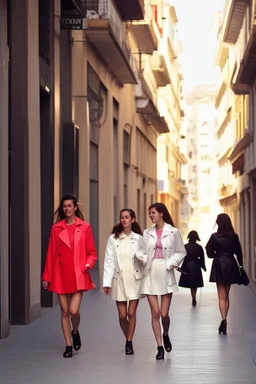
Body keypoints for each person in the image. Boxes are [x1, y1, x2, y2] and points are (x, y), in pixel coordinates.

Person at [42, 194, 97, 358]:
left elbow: (92, 252)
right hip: (60, 274)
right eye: (64, 206)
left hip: (78, 273)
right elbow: (51, 253)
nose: (66, 208)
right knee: (65, 311)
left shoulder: (85, 227)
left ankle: (75, 331)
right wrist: (46, 276)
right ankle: (68, 346)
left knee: (74, 311)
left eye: (69, 206)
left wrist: (87, 265)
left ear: (75, 208)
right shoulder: (56, 228)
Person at [136, 202, 186, 360]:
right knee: (155, 313)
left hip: (165, 273)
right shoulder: (146, 233)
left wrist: (172, 261)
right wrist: (142, 256)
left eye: (153, 213)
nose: (151, 215)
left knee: (164, 314)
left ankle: (166, 334)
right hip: (150, 273)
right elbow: (141, 250)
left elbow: (181, 251)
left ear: (161, 213)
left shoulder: (173, 232)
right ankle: (159, 347)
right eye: (149, 213)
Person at [103, 209, 144, 355]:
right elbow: (109, 261)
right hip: (119, 280)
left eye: (127, 217)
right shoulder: (113, 239)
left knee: (131, 313)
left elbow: (145, 258)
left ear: (133, 219)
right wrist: (106, 282)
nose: (124, 220)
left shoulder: (139, 238)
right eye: (122, 218)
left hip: (134, 280)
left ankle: (129, 342)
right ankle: (129, 338)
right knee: (122, 315)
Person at [205, 213, 243, 335]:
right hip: (230, 264)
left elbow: (209, 253)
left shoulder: (214, 237)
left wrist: (216, 255)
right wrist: (240, 266)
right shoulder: (234, 236)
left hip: (219, 265)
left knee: (221, 296)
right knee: (226, 295)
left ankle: (224, 320)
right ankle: (225, 319)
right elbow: (239, 252)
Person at [178, 230, 206, 307]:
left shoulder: (185, 246)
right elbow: (202, 258)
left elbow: (181, 256)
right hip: (196, 266)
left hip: (187, 265)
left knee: (190, 284)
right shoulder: (199, 247)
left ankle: (193, 297)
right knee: (195, 284)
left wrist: (178, 266)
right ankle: (194, 297)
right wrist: (203, 267)